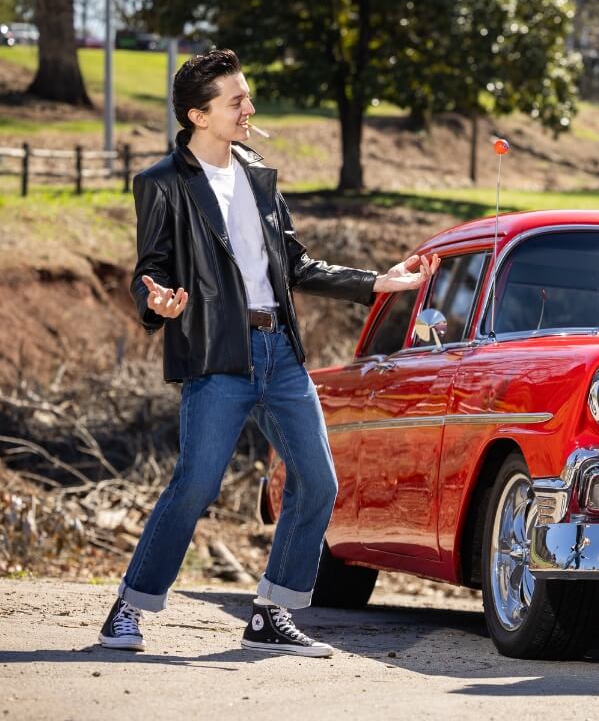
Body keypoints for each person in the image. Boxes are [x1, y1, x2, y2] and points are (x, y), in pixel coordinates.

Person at [98, 49, 438, 657]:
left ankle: (272, 611)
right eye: (236, 101)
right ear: (199, 116)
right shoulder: (162, 184)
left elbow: (296, 262)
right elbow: (149, 270)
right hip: (218, 355)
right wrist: (157, 303)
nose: (249, 109)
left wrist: (378, 283)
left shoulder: (256, 170)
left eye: (247, 97)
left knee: (318, 482)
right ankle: (130, 607)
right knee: (196, 487)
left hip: (279, 349)